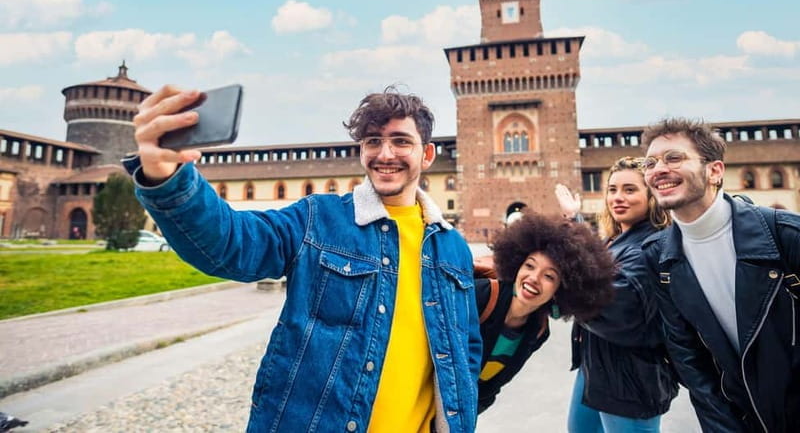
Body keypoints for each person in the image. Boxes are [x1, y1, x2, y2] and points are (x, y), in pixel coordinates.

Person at [124, 85, 481, 432]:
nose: (385, 154)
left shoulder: (452, 249)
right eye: (373, 141)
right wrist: (168, 178)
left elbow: (466, 348)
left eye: (401, 141)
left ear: (428, 155)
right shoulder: (317, 220)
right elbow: (234, 242)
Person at [639, 117, 800, 432]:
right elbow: (691, 363)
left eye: (674, 158)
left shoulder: (785, 235)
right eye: (650, 163)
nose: (658, 169)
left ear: (714, 171)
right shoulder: (658, 258)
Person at [558, 158, 679, 433]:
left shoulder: (650, 246)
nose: (618, 198)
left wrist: (559, 288)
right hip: (597, 368)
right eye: (612, 190)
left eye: (630, 190)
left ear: (651, 196)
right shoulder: (619, 240)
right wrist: (574, 220)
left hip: (630, 379)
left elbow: (615, 307)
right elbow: (591, 262)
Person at [474, 211, 616, 413]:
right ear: (516, 266)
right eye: (529, 266)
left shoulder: (539, 331)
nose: (533, 278)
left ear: (560, 290)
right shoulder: (480, 296)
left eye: (549, 276)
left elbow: (492, 386)